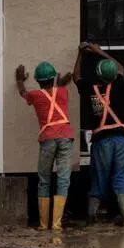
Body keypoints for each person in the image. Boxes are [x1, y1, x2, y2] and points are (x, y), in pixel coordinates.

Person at [74, 42, 124, 225]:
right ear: (113, 75)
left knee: (99, 180)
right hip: (122, 141)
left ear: (98, 74)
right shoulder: (119, 86)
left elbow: (76, 77)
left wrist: (80, 55)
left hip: (102, 142)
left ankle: (91, 218)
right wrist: (100, 52)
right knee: (121, 179)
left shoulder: (91, 90)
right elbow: (121, 67)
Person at [15, 60, 75, 232]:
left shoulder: (35, 96)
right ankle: (56, 224)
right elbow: (59, 86)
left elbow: (23, 93)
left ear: (39, 81)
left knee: (44, 180)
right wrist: (62, 80)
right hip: (65, 136)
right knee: (63, 180)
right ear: (53, 79)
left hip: (48, 138)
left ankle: (43, 224)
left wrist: (20, 79)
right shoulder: (63, 92)